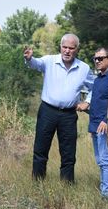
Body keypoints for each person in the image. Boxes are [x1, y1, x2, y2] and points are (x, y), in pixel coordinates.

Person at [23, 33, 92, 183]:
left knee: (68, 153)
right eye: (64, 47)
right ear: (60, 47)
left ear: (76, 49)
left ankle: (66, 186)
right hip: (47, 111)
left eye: (71, 48)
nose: (67, 51)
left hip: (68, 115)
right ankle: (37, 183)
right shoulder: (49, 61)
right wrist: (29, 58)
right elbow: (36, 63)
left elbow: (94, 87)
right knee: (40, 150)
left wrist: (87, 101)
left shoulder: (84, 68)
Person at [86, 47, 108, 199]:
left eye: (100, 58)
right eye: (95, 58)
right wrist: (92, 127)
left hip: (105, 125)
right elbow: (96, 102)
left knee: (105, 161)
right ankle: (105, 192)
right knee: (99, 161)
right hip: (95, 125)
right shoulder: (98, 80)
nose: (97, 61)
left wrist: (106, 120)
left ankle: (106, 196)